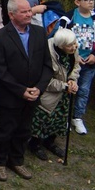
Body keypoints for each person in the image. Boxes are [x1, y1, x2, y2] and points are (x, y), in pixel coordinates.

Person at [0, 0, 53, 182]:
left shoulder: (40, 33)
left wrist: (39, 89)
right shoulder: (0, 37)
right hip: (10, 96)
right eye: (24, 11)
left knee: (24, 130)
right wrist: (20, 90)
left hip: (34, 94)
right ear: (11, 14)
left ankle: (17, 160)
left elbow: (47, 65)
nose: (29, 14)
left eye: (29, 10)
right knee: (6, 129)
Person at [28, 28, 80, 161]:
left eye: (74, 43)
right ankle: (35, 145)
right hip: (49, 93)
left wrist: (72, 80)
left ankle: (50, 142)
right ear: (60, 45)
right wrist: (64, 86)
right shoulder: (48, 53)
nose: (74, 47)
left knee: (60, 119)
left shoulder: (73, 48)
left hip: (64, 93)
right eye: (70, 45)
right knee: (42, 120)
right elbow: (45, 80)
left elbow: (76, 67)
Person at [67, 0, 95, 135]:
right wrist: (73, 55)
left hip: (89, 62)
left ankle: (77, 117)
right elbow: (62, 37)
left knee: (84, 90)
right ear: (77, 2)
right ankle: (64, 116)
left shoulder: (94, 17)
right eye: (86, 0)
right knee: (69, 88)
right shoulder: (70, 17)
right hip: (73, 60)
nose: (91, 3)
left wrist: (94, 56)